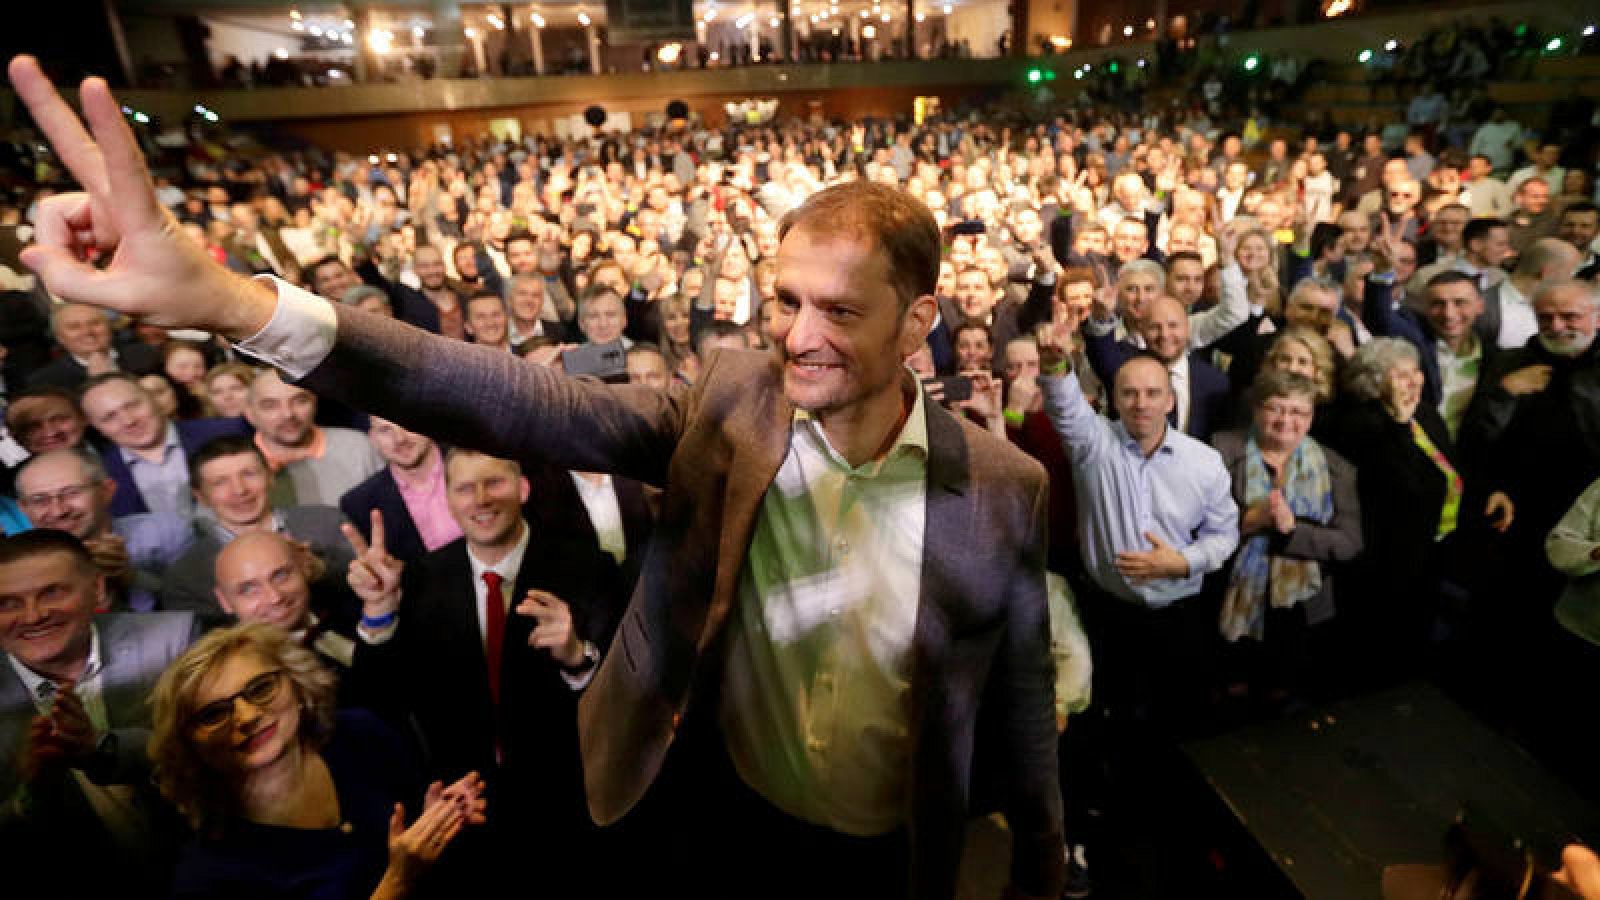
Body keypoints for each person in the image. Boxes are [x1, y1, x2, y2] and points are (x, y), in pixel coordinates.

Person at [5, 65, 1064, 895]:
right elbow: (513, 400)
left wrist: (1035, 869)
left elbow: (1017, 691)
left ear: (919, 321)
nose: (796, 336)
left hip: (897, 844)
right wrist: (240, 305)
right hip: (716, 805)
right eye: (785, 300)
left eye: (838, 310)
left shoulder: (1002, 486)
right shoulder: (730, 405)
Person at [342, 449, 619, 894]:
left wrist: (576, 656)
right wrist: (378, 612)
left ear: (523, 489)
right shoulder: (418, 579)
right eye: (465, 488)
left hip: (567, 802)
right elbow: (377, 698)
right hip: (463, 806)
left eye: (494, 483)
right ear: (449, 500)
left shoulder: (587, 568)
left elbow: (625, 699)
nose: (481, 500)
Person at [146, 622, 486, 900]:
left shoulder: (360, 733)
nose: (247, 716)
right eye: (214, 713)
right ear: (190, 742)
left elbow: (415, 832)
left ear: (296, 685)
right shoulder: (205, 875)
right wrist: (396, 884)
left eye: (261, 688)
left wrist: (437, 819)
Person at [0, 529, 196, 898]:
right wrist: (32, 794)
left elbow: (225, 754)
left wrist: (101, 750)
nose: (34, 616)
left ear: (97, 590)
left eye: (53, 592)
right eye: (8, 603)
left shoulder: (177, 642)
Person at [1212, 371, 1363, 706]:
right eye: (1275, 408)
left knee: (1282, 696)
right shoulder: (1222, 450)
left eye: (1298, 412)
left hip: (1299, 607)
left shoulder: (1337, 467)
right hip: (1227, 594)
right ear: (1255, 410)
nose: (1286, 420)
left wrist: (1292, 533)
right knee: (1230, 696)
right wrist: (1249, 521)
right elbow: (1195, 528)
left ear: (1311, 418)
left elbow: (1350, 543)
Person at [161, 437, 354, 628]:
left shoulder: (327, 522)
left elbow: (366, 591)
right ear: (201, 497)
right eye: (220, 482)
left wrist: (319, 570)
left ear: (270, 477)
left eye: (249, 474)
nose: (239, 490)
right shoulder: (187, 577)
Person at [15, 448, 192, 611]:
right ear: (23, 508)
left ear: (107, 491)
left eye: (71, 493)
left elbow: (199, 604)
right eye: (40, 500)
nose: (58, 511)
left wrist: (132, 576)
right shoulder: (13, 564)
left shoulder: (165, 532)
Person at [78, 372, 249, 518]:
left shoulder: (229, 432)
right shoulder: (97, 476)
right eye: (109, 417)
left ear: (153, 399)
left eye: (132, 406)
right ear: (97, 427)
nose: (129, 421)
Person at [244, 369, 384, 507]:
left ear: (314, 402)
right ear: (250, 414)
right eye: (270, 406)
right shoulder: (235, 463)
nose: (288, 414)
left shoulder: (357, 447)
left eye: (300, 401)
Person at [338, 417, 460, 565]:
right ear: (373, 438)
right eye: (385, 430)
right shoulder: (359, 503)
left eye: (406, 424)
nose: (400, 439)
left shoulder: (475, 458)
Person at [27, 302, 159, 390]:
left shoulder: (146, 355)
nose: (88, 332)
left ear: (109, 327)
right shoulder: (45, 382)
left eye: (95, 323)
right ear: (60, 338)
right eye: (74, 327)